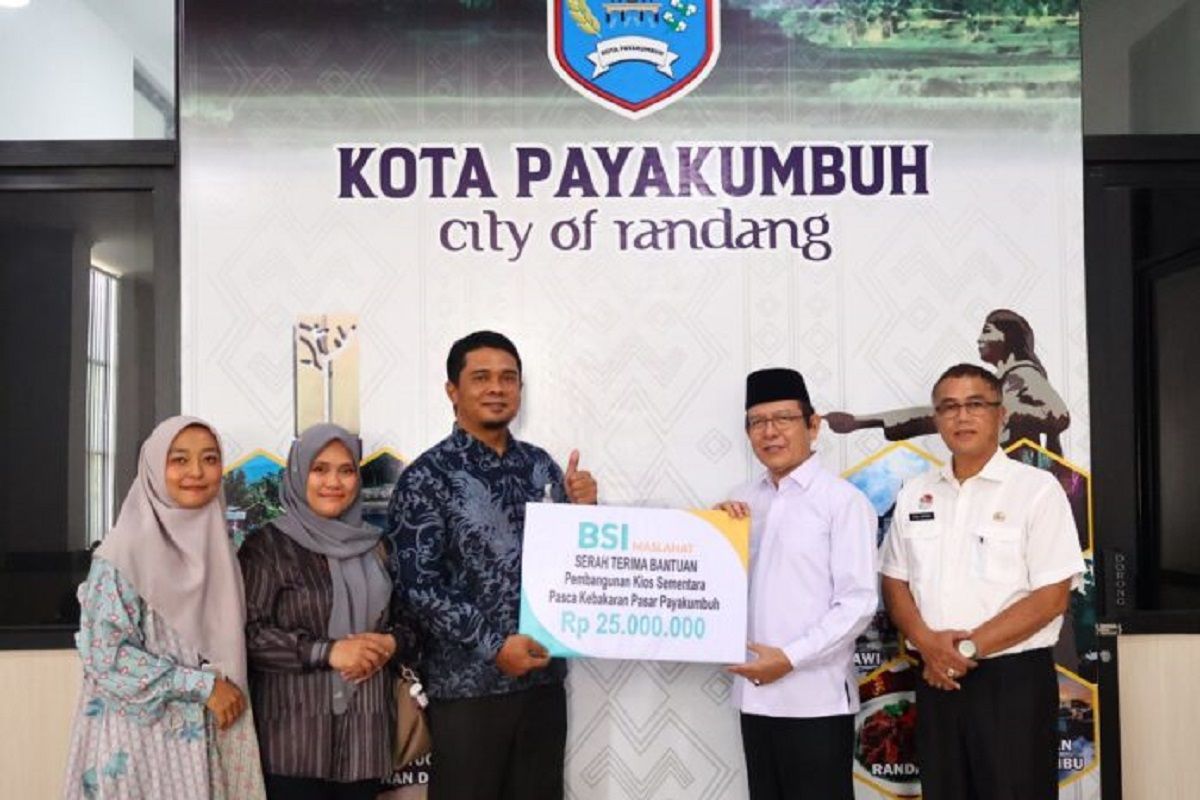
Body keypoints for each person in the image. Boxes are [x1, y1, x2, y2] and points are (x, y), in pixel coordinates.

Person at [386, 330, 598, 800]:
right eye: (481, 377)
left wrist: (586, 513)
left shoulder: (541, 467)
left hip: (542, 682)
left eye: (508, 378)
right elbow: (418, 586)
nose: (497, 388)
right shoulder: (426, 477)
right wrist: (493, 645)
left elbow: (572, 562)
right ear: (452, 390)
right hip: (467, 691)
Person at [879, 363, 1086, 800]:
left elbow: (1051, 598)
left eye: (975, 404)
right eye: (949, 407)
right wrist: (929, 646)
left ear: (1001, 414)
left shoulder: (1036, 489)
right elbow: (894, 582)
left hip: (1012, 683)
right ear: (936, 419)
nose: (962, 416)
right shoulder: (915, 492)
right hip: (936, 678)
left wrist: (964, 651)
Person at [63, 416, 266, 800]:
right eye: (179, 459)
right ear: (155, 468)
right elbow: (106, 655)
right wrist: (202, 686)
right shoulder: (123, 555)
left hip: (213, 741)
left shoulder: (220, 552)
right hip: (144, 749)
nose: (196, 472)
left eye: (209, 459)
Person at [714, 368, 878, 800]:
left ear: (813, 425)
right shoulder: (740, 502)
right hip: (753, 697)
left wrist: (789, 658)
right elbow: (720, 586)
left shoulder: (842, 502)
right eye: (757, 422)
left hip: (816, 700)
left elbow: (858, 603)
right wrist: (711, 535)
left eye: (783, 418)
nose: (769, 432)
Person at [239, 423, 409, 800]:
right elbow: (249, 636)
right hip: (292, 744)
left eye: (346, 470)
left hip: (365, 739)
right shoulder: (266, 547)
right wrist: (327, 652)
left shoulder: (377, 547)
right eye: (320, 469)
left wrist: (390, 643)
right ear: (299, 474)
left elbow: (411, 623)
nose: (334, 482)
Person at [824, 308, 1070, 456]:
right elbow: (930, 415)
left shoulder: (1024, 374)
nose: (979, 339)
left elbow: (1060, 415)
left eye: (987, 331)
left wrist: (1004, 412)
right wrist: (862, 422)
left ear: (1008, 337)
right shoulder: (1004, 381)